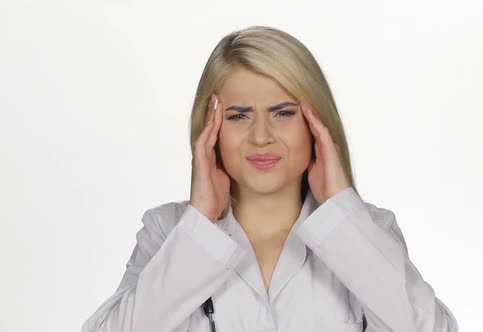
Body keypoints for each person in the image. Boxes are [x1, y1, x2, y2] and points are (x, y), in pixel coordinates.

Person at [81, 26, 458, 332]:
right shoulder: (169, 232)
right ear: (209, 130)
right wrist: (200, 223)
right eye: (239, 116)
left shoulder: (367, 229)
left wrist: (341, 212)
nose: (261, 136)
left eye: (282, 113)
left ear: (317, 124)